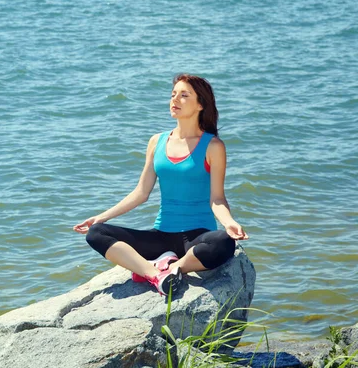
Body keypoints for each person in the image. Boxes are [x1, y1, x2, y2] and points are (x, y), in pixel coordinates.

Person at [73, 74, 249, 296]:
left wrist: (229, 222)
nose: (175, 99)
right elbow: (141, 192)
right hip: (160, 236)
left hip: (197, 237)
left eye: (184, 95)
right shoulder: (157, 141)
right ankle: (155, 274)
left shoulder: (213, 146)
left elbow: (217, 198)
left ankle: (176, 267)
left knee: (224, 242)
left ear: (201, 105)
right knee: (97, 234)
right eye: (173, 94)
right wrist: (101, 218)